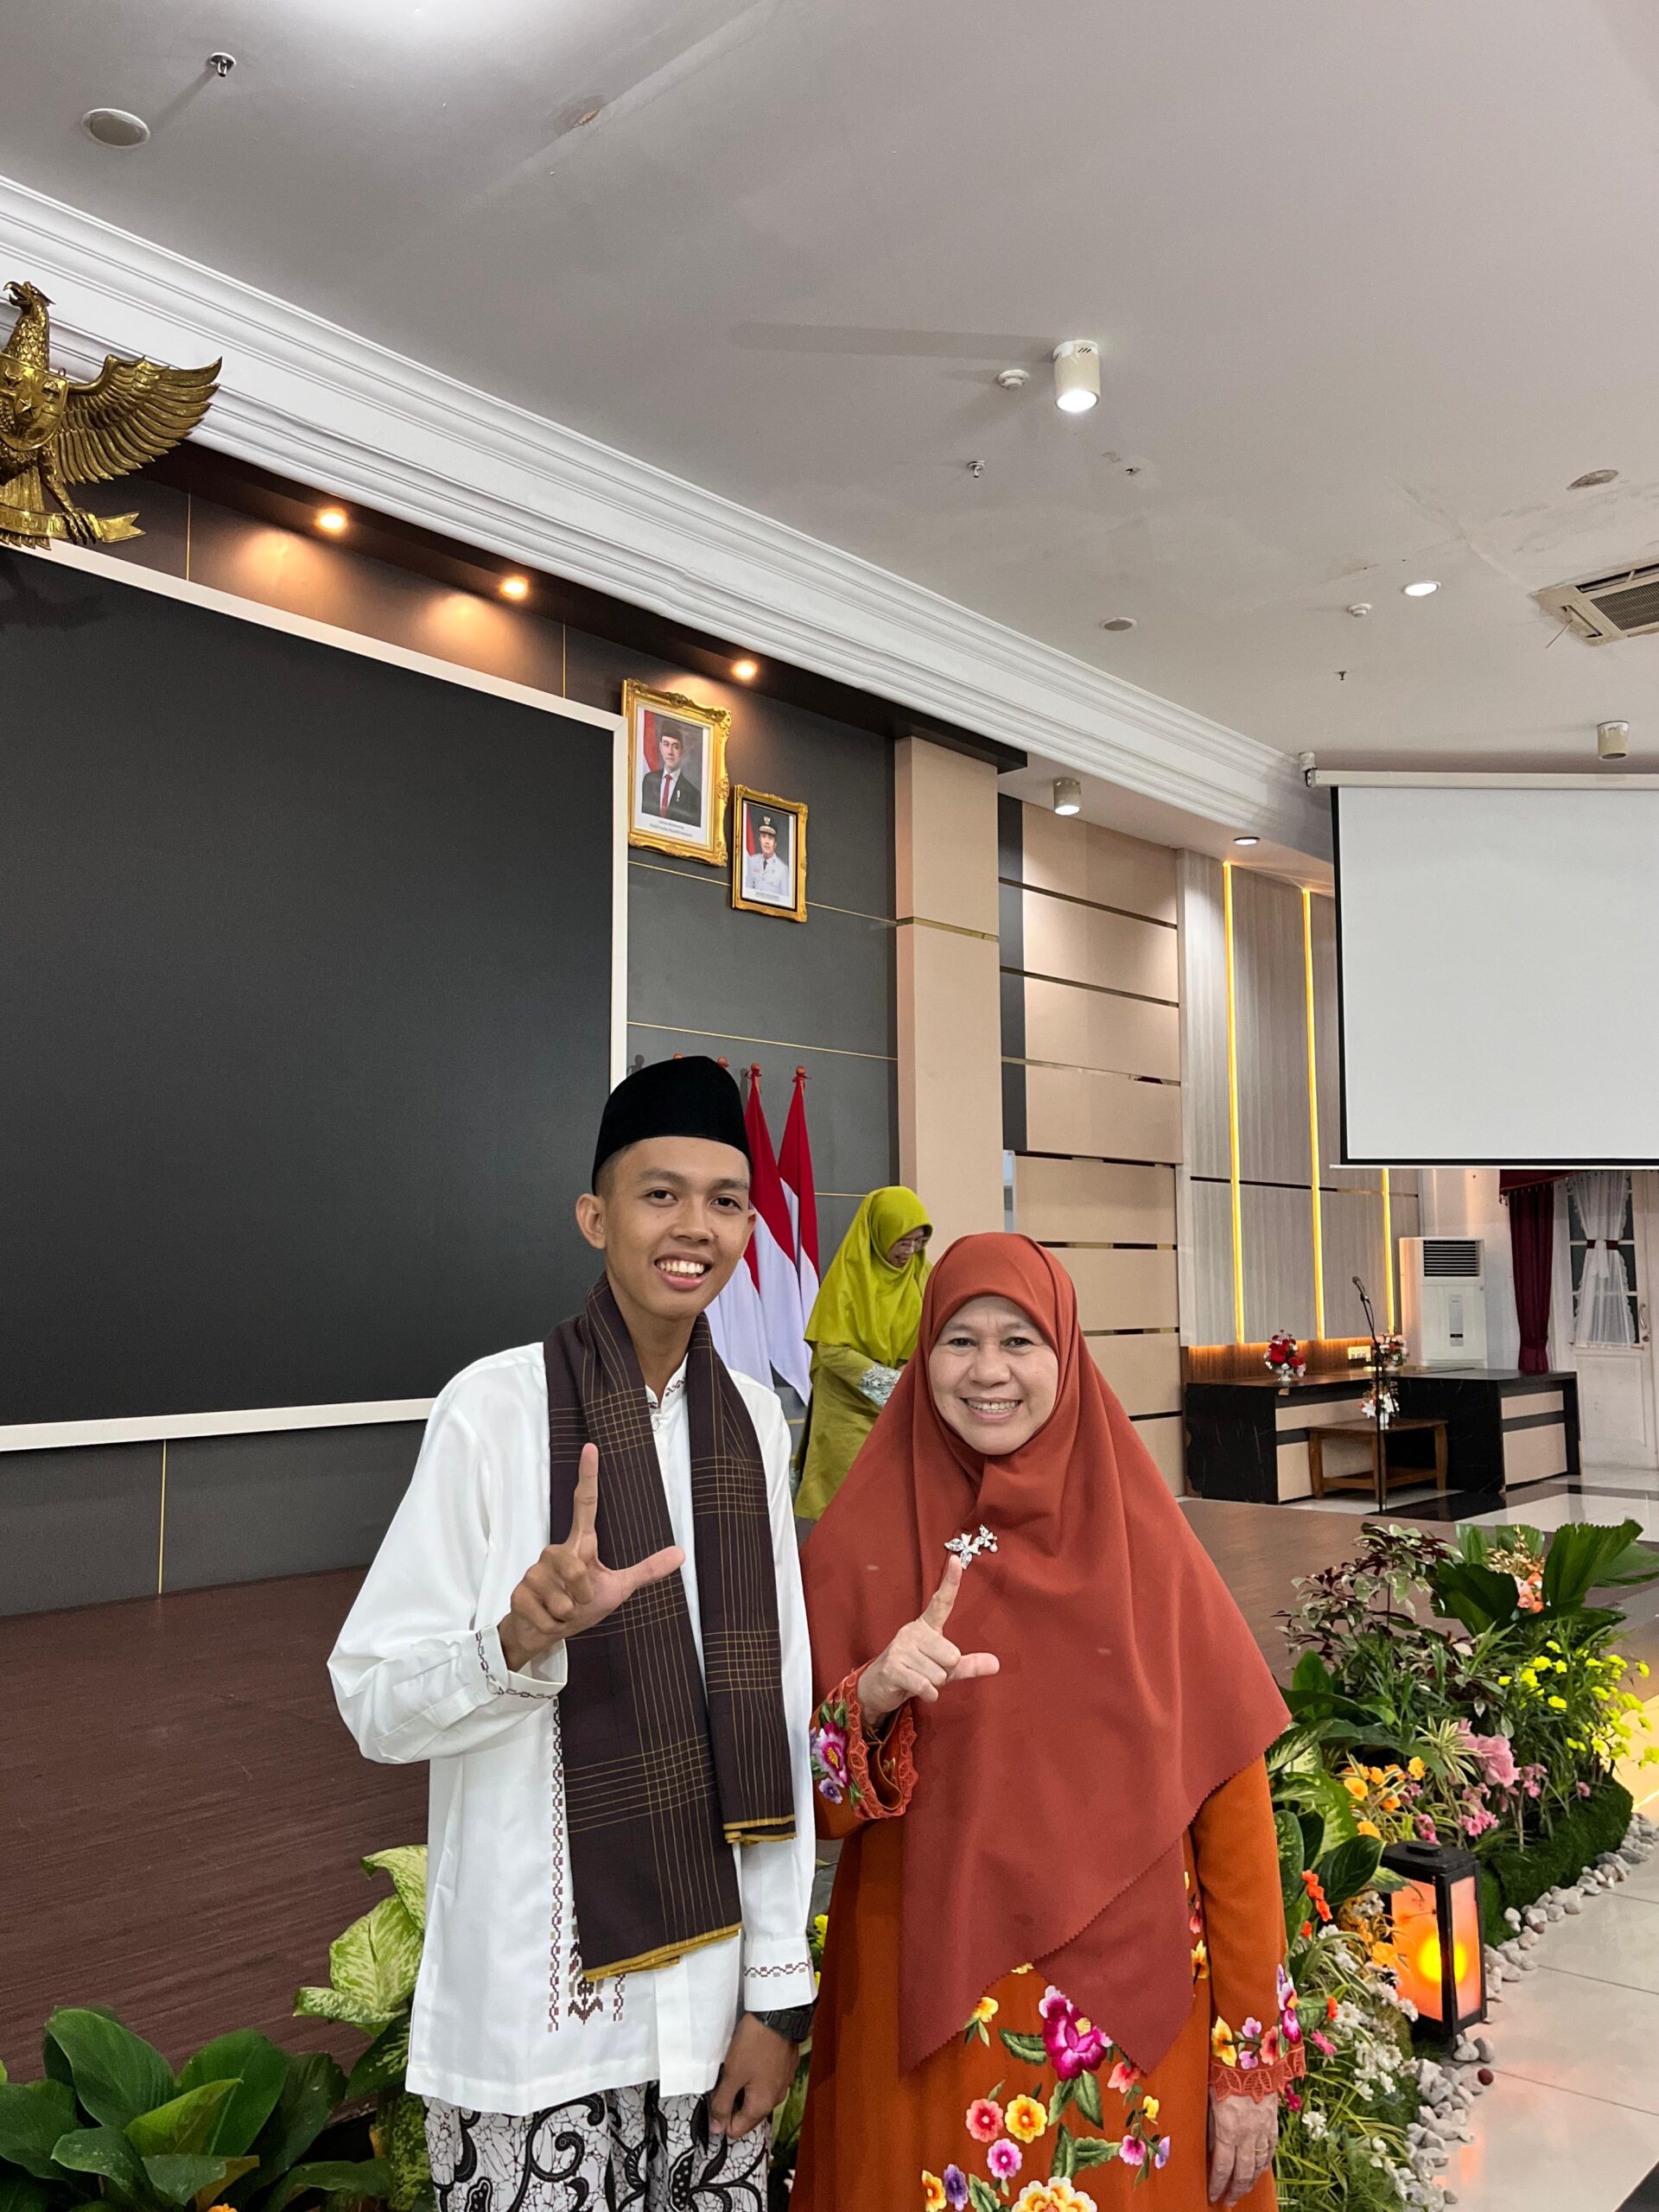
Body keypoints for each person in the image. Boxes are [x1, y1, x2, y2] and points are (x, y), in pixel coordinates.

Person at [329, 1056, 815, 2212]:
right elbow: (373, 1703)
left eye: (725, 1199)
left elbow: (779, 1707)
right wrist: (514, 1639)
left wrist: (778, 1994)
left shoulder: (754, 1421)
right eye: (660, 1194)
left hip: (712, 2018)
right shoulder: (494, 1410)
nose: (694, 1227)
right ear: (596, 1217)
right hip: (537, 2031)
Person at [793, 1235, 1297, 2210]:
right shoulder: (858, 1544)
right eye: (959, 1340)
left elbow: (1234, 1813)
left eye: (1019, 1340)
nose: (988, 1370)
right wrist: (873, 1696)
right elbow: (805, 1807)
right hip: (920, 2021)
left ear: (1065, 1353)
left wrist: (1248, 2067)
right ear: (923, 1354)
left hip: (1125, 2040)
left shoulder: (1146, 1545)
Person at [793, 1185, 931, 1521]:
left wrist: (911, 1375)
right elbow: (831, 1348)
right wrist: (891, 1385)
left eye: (918, 1242)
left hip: (904, 1408)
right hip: (847, 1407)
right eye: (902, 1241)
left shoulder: (923, 1274)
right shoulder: (849, 1277)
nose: (910, 1251)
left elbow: (935, 1333)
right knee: (847, 1503)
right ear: (880, 1233)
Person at [639, 720, 702, 826]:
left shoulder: (692, 794)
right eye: (666, 744)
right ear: (660, 747)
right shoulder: (649, 780)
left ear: (682, 751)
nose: (670, 752)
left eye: (675, 746)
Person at [742, 813, 791, 905]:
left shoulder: (783, 869)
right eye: (764, 836)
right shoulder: (752, 861)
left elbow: (786, 903)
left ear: (775, 843)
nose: (767, 842)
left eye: (770, 838)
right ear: (759, 839)